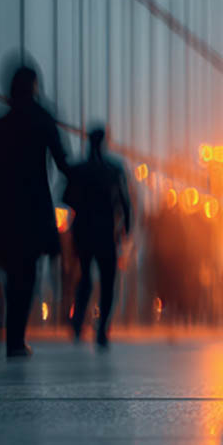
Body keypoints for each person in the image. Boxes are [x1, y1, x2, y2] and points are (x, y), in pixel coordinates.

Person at [0, 63, 70, 357]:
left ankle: (9, 334)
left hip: (1, 213)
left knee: (9, 271)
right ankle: (15, 338)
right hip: (32, 211)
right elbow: (63, 162)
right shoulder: (42, 121)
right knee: (25, 274)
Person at [64, 127, 132, 348]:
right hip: (106, 232)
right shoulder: (113, 170)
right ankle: (102, 327)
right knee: (108, 280)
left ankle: (78, 323)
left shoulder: (79, 170)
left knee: (85, 277)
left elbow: (67, 197)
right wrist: (126, 228)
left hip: (84, 231)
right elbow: (124, 201)